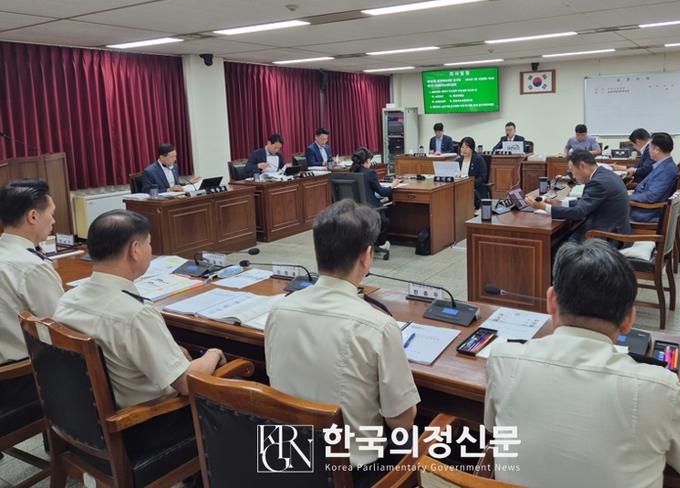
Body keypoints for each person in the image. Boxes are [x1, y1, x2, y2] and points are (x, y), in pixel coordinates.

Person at [485, 239, 680, 486]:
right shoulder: (661, 388)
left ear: (551, 301)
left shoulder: (503, 360)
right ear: (629, 320)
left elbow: (491, 426)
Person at [264, 200, 419, 487]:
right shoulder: (377, 326)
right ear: (367, 256)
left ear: (317, 252)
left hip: (288, 461)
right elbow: (402, 422)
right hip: (353, 473)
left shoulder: (279, 310)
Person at [54, 210, 226, 451]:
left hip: (83, 422)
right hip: (146, 426)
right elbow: (187, 383)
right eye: (149, 244)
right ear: (135, 250)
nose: (149, 249)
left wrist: (169, 351)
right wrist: (214, 353)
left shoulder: (68, 300)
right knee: (240, 382)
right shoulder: (134, 314)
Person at [0, 179, 64, 413]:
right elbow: (62, 327)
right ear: (33, 216)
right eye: (51, 213)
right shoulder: (30, 266)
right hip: (22, 377)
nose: (53, 221)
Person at [526, 150, 631, 242]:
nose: (573, 176)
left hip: (608, 237)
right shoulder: (604, 174)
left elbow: (578, 212)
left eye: (572, 171)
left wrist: (543, 207)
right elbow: (589, 202)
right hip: (612, 228)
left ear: (582, 166)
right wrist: (561, 203)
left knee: (557, 244)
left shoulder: (598, 183)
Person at [351, 147, 400, 250]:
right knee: (386, 209)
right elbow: (382, 192)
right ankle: (381, 243)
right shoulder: (370, 173)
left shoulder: (352, 172)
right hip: (370, 209)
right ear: (367, 160)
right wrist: (392, 185)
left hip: (355, 209)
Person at [629, 132, 679, 223]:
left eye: (649, 147)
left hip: (648, 213)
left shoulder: (666, 170)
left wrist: (627, 197)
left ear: (656, 150)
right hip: (647, 208)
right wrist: (632, 193)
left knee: (610, 208)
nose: (648, 150)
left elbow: (652, 196)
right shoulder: (664, 165)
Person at [457, 137, 489, 208]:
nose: (464, 150)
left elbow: (482, 177)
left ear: (472, 148)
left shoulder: (478, 159)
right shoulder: (458, 161)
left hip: (475, 188)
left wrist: (470, 184)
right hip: (460, 188)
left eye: (467, 147)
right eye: (462, 147)